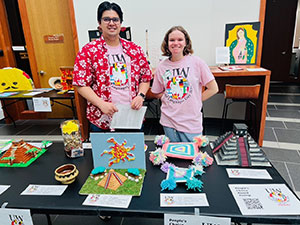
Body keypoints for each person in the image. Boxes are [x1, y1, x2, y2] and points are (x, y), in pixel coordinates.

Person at [72, 1, 151, 131]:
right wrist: (101, 104)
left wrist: (140, 96)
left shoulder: (134, 50)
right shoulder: (89, 50)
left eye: (115, 19)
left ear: (121, 23)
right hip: (102, 117)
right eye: (106, 19)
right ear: (99, 23)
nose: (111, 23)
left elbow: (145, 78)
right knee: (104, 151)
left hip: (131, 116)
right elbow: (80, 84)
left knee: (132, 150)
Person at [151, 26, 219, 142]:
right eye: (172, 40)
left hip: (191, 123)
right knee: (173, 157)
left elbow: (213, 89)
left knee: (193, 157)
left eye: (180, 40)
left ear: (186, 42)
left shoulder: (197, 62)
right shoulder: (162, 66)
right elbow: (156, 92)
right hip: (169, 123)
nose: (175, 43)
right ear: (167, 43)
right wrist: (167, 97)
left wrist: (195, 100)